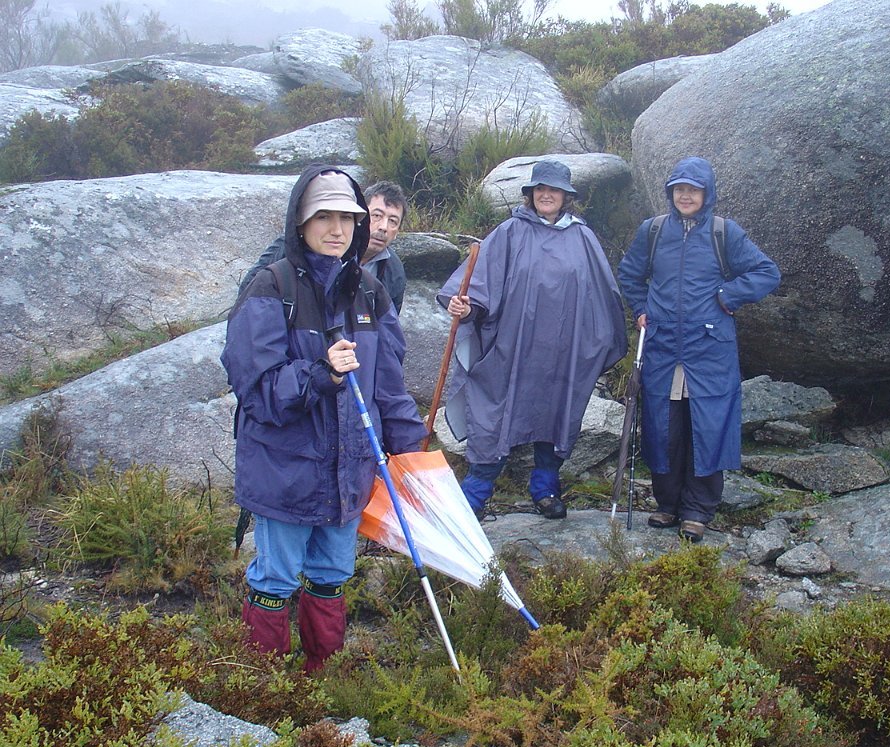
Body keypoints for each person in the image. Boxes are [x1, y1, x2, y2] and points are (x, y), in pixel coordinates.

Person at [222, 164, 426, 672]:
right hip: (285, 471)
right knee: (276, 578)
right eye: (324, 217)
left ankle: (322, 678)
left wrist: (415, 456)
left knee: (332, 574)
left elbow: (390, 388)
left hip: (349, 472)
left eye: (347, 218)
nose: (337, 230)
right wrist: (321, 374)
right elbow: (258, 391)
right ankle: (262, 686)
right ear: (300, 221)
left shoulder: (370, 292)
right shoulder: (270, 288)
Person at [438, 160, 627, 520]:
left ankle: (544, 488)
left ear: (566, 196)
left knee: (556, 412)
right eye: (540, 188)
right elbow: (480, 283)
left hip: (562, 352)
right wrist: (468, 307)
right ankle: (476, 493)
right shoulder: (510, 232)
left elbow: (602, 295)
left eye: (554, 189)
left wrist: (600, 340)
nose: (546, 194)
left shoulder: (583, 238)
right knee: (495, 412)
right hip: (512, 348)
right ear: (531, 193)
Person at [618, 156, 781, 543]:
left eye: (693, 189)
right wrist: (640, 309)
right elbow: (629, 273)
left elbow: (766, 273)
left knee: (707, 427)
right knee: (664, 428)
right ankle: (667, 503)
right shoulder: (653, 230)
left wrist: (727, 296)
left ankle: (697, 511)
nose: (686, 196)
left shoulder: (725, 232)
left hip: (709, 349)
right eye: (679, 189)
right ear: (670, 193)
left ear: (707, 194)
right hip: (662, 347)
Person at [240, 180, 409, 313]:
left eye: (393, 221)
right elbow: (250, 291)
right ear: (360, 216)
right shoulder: (299, 245)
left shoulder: (394, 270)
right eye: (377, 216)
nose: (383, 227)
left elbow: (388, 328)